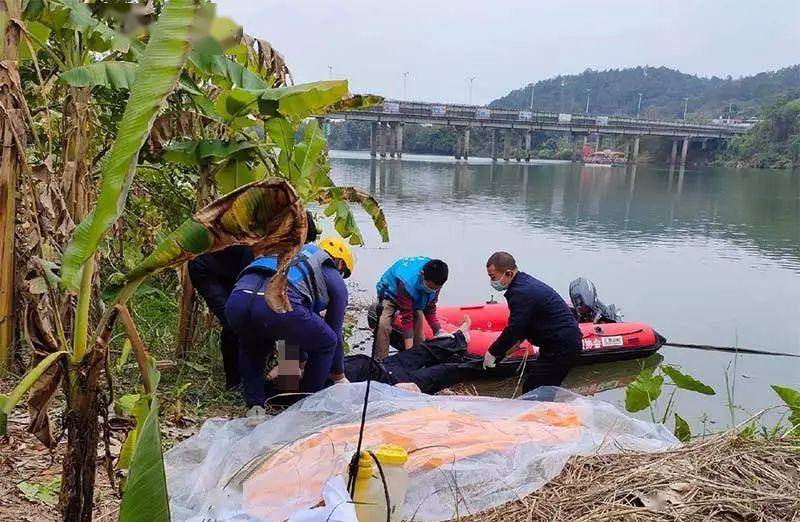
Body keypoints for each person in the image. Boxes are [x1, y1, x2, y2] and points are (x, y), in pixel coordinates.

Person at [188, 211, 317, 390]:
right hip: (207, 271)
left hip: (230, 270)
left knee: (273, 313)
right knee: (233, 320)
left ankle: (269, 375)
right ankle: (234, 383)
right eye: (303, 242)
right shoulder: (260, 243)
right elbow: (253, 289)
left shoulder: (277, 242)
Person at [225, 236, 353, 416]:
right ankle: (306, 406)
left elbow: (296, 330)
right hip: (275, 303)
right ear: (340, 263)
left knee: (251, 346)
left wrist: (297, 365)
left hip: (237, 300)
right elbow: (335, 332)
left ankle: (256, 407)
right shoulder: (330, 273)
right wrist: (339, 378)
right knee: (327, 342)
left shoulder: (294, 250)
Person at [482, 252, 582, 394]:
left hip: (562, 345)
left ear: (508, 273)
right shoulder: (523, 283)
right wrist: (508, 350)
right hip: (557, 343)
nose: (492, 282)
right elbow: (525, 324)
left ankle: (543, 415)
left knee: (534, 389)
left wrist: (493, 352)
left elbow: (515, 327)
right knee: (539, 387)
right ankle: (546, 413)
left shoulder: (521, 292)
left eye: (493, 277)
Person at [345, 318, 478, 394]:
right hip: (390, 383)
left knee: (422, 350)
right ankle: (482, 364)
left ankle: (459, 337)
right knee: (443, 372)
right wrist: (390, 393)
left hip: (382, 364)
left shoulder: (330, 362)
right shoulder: (331, 387)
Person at [375, 257, 449, 359]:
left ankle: (418, 358)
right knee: (383, 324)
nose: (433, 290)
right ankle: (381, 361)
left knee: (419, 329)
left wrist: (438, 331)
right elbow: (407, 318)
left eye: (436, 288)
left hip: (415, 296)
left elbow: (430, 308)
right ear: (422, 274)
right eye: (430, 287)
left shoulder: (437, 278)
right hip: (391, 294)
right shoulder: (406, 282)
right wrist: (408, 352)